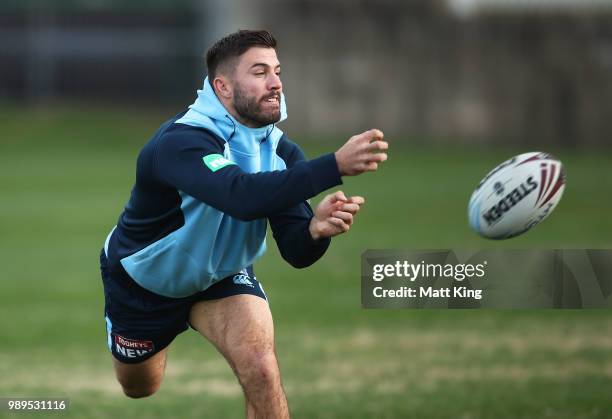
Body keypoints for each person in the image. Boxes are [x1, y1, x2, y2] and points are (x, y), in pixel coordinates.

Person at [99, 29, 388, 418]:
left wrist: (315, 230)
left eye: (277, 70)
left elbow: (296, 251)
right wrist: (333, 166)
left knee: (261, 367)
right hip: (146, 280)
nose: (275, 83)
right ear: (223, 86)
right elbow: (241, 196)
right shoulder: (181, 141)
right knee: (139, 388)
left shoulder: (280, 150)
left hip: (222, 273)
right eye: (259, 72)